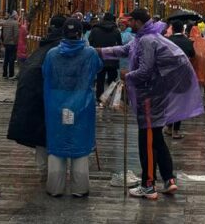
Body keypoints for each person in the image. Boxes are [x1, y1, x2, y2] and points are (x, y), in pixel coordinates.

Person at [97, 9, 204, 200]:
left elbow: (145, 71)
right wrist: (98, 52)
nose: (128, 24)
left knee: (146, 139)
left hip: (149, 97)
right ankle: (169, 179)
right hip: (156, 96)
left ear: (138, 22)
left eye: (130, 21)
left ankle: (148, 185)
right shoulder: (145, 37)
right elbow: (124, 50)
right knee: (157, 138)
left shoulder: (147, 41)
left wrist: (127, 76)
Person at [42, 19, 102, 198]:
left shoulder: (52, 54)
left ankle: (55, 187)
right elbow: (97, 68)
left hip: (56, 103)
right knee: (80, 144)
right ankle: (80, 188)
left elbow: (46, 73)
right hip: (81, 104)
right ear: (81, 33)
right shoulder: (90, 53)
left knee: (57, 142)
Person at [7, 16, 66, 170]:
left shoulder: (42, 49)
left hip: (36, 97)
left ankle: (44, 166)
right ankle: (54, 167)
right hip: (54, 97)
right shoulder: (59, 50)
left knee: (42, 130)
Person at [164, 19, 195, 139]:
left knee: (170, 100)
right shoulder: (188, 42)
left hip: (168, 74)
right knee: (180, 102)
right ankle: (175, 131)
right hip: (183, 74)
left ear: (172, 28)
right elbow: (193, 55)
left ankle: (168, 126)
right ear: (182, 29)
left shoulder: (167, 40)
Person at [87, 13, 122, 101]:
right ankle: (110, 98)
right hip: (112, 59)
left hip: (99, 57)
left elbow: (90, 42)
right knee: (112, 80)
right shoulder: (116, 30)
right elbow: (120, 45)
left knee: (100, 80)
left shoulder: (95, 30)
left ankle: (99, 98)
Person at [1, 12, 19, 79]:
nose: (17, 16)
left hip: (6, 42)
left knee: (6, 58)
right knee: (11, 59)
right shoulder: (15, 23)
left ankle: (4, 73)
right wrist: (15, 42)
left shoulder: (5, 22)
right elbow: (16, 34)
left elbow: (2, 33)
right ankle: (11, 73)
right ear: (14, 16)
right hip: (12, 43)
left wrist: (4, 41)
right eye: (17, 15)